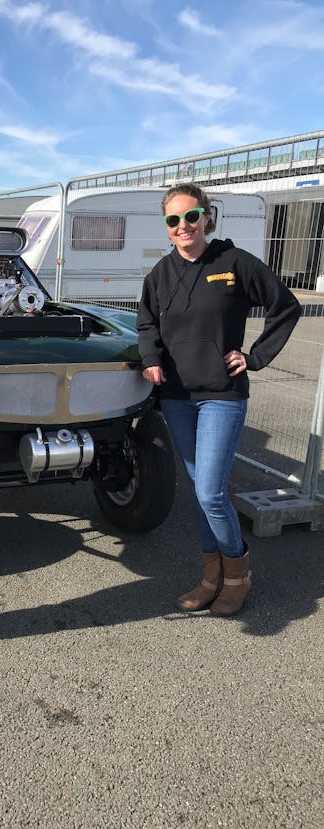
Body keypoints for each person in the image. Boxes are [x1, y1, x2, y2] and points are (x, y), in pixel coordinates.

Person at [137, 182, 301, 616]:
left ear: (207, 216)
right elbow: (146, 324)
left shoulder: (234, 263)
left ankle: (238, 574)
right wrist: (150, 358)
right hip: (176, 396)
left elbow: (285, 305)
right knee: (200, 490)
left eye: (191, 216)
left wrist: (256, 356)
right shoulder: (160, 274)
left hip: (221, 396)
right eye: (173, 220)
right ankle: (211, 577)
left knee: (210, 492)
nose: (183, 226)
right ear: (166, 227)